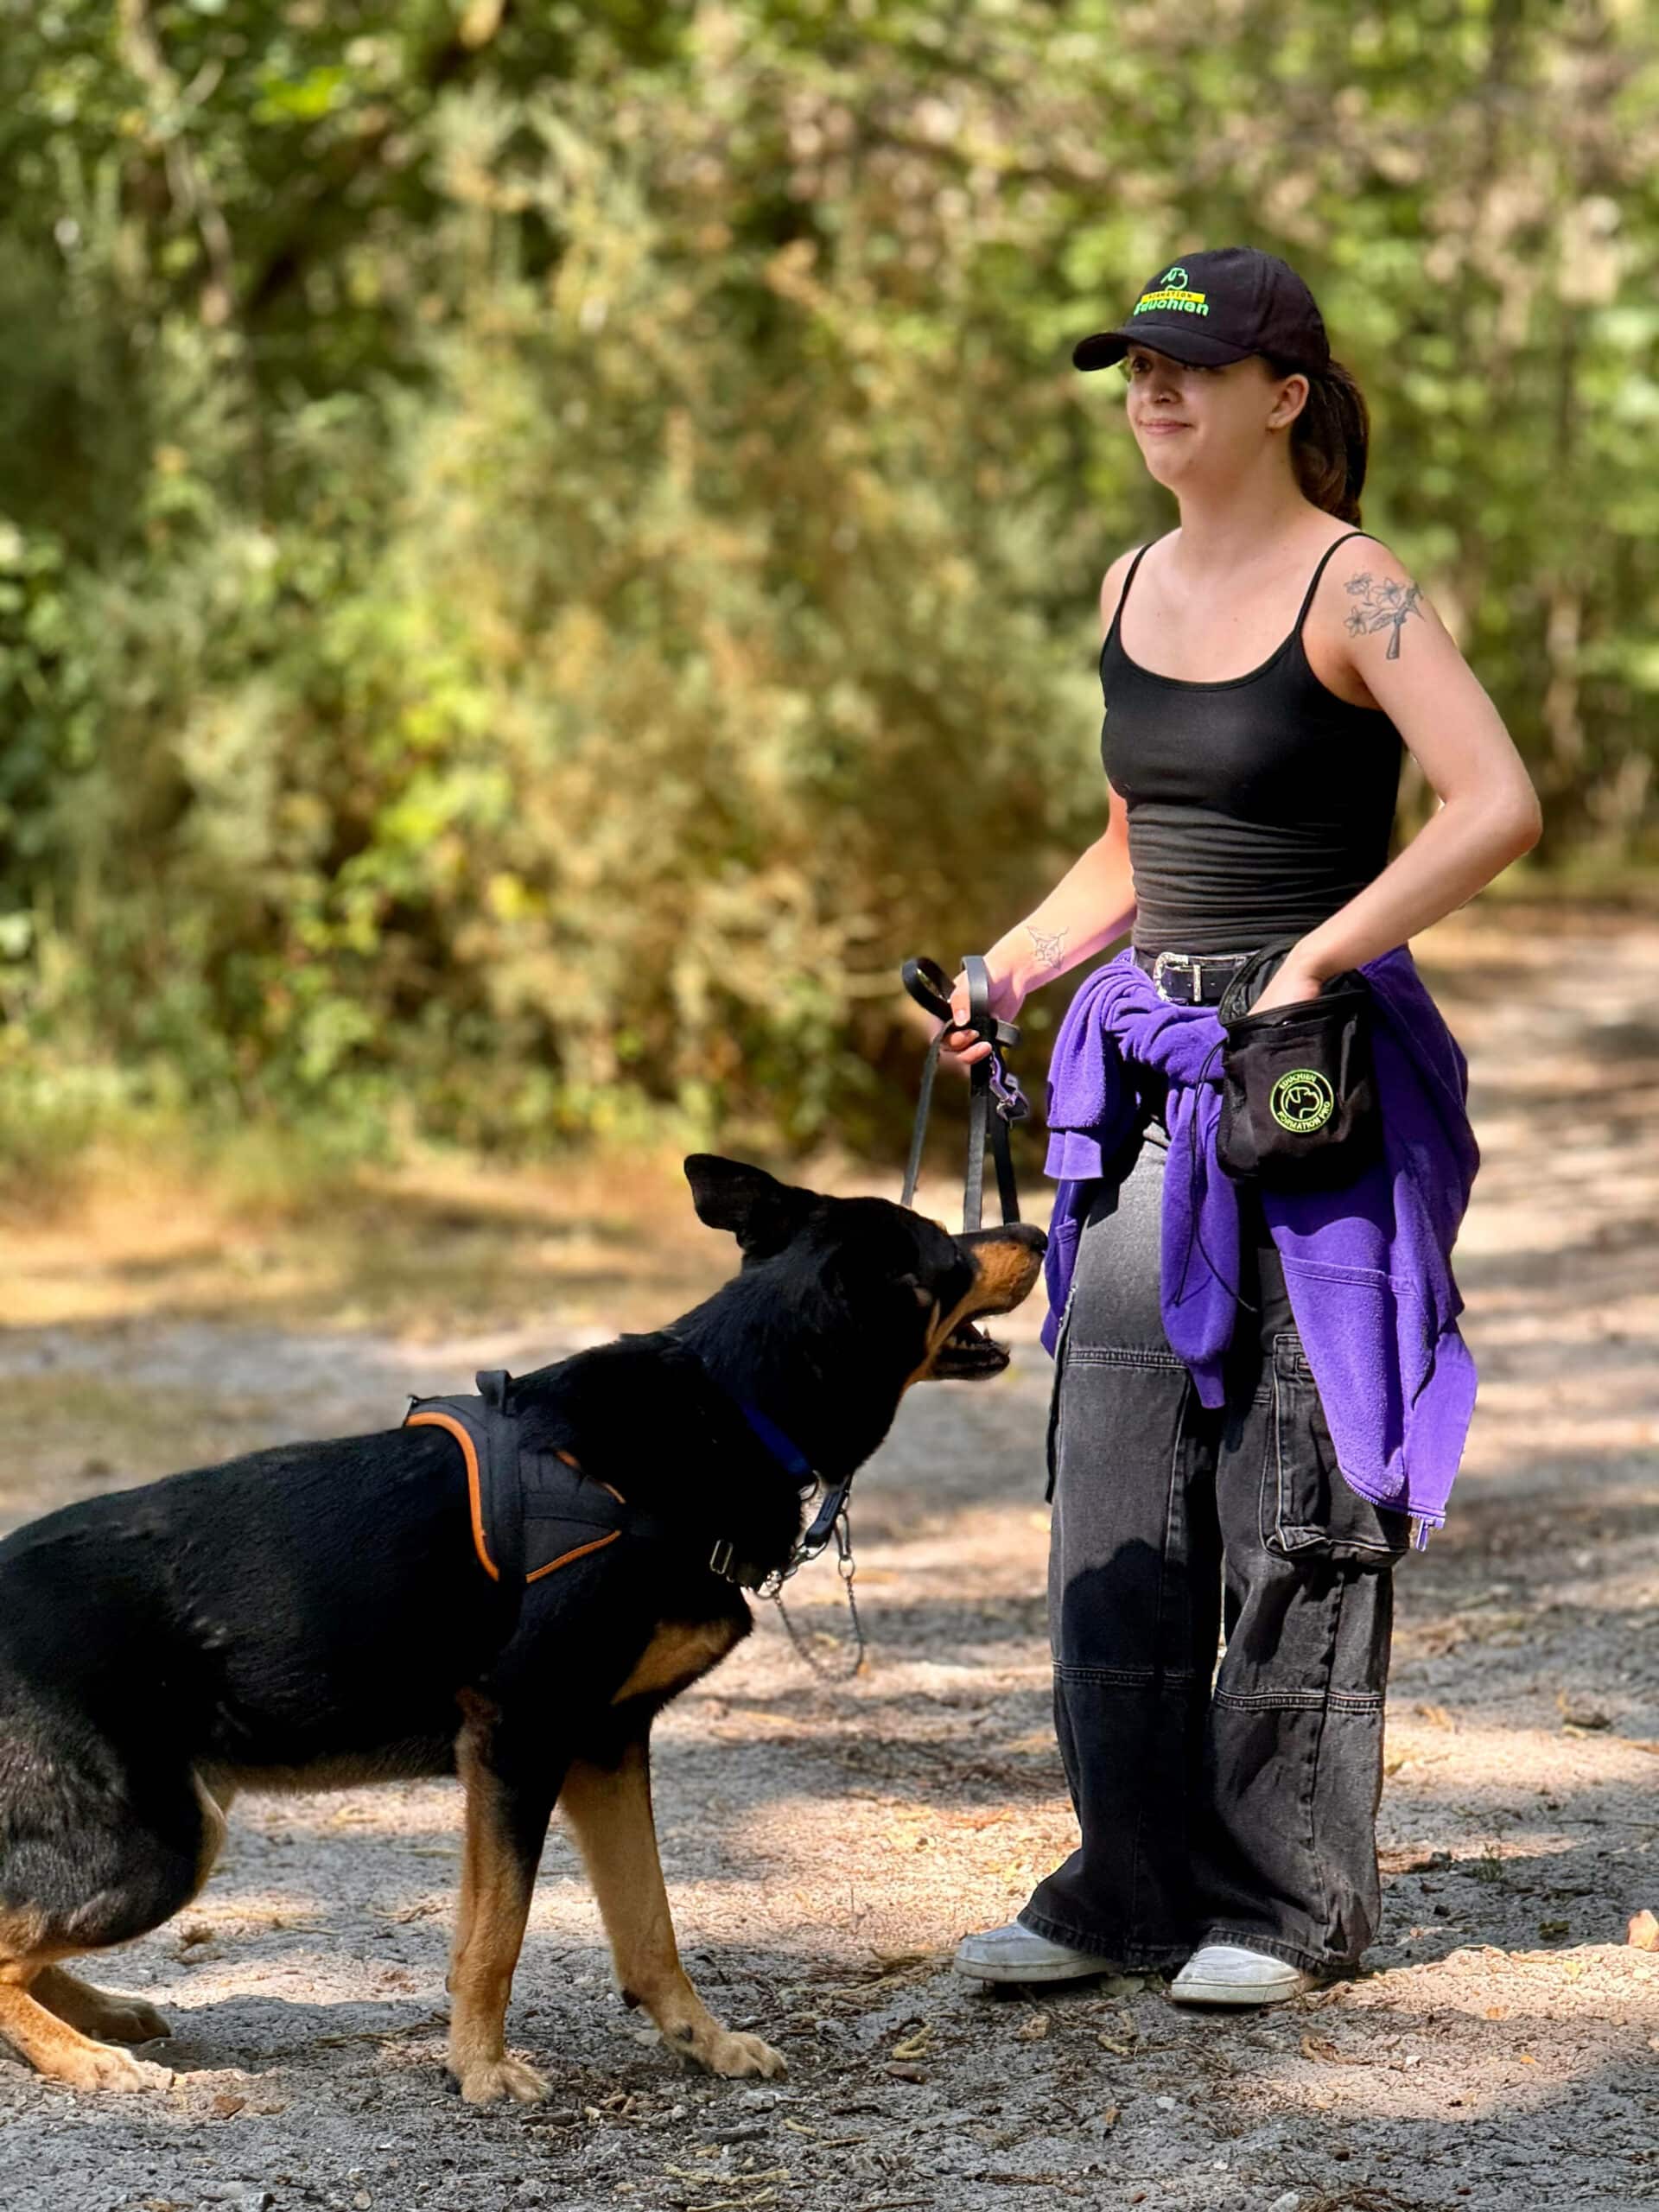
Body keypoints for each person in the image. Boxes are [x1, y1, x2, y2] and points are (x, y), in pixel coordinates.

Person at [939, 247, 1541, 2005]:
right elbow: (1131, 845)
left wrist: (1319, 951)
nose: (1153, 394)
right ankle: (1127, 1881)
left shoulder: (1361, 594)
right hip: (1142, 1085)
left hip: (1310, 1073)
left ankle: (1285, 1899)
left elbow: (1494, 800)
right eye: (1134, 369)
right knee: (1117, 1484)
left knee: (1301, 1484)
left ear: (1287, 394)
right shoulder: (1128, 584)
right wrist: (1011, 966)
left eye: (1191, 370)